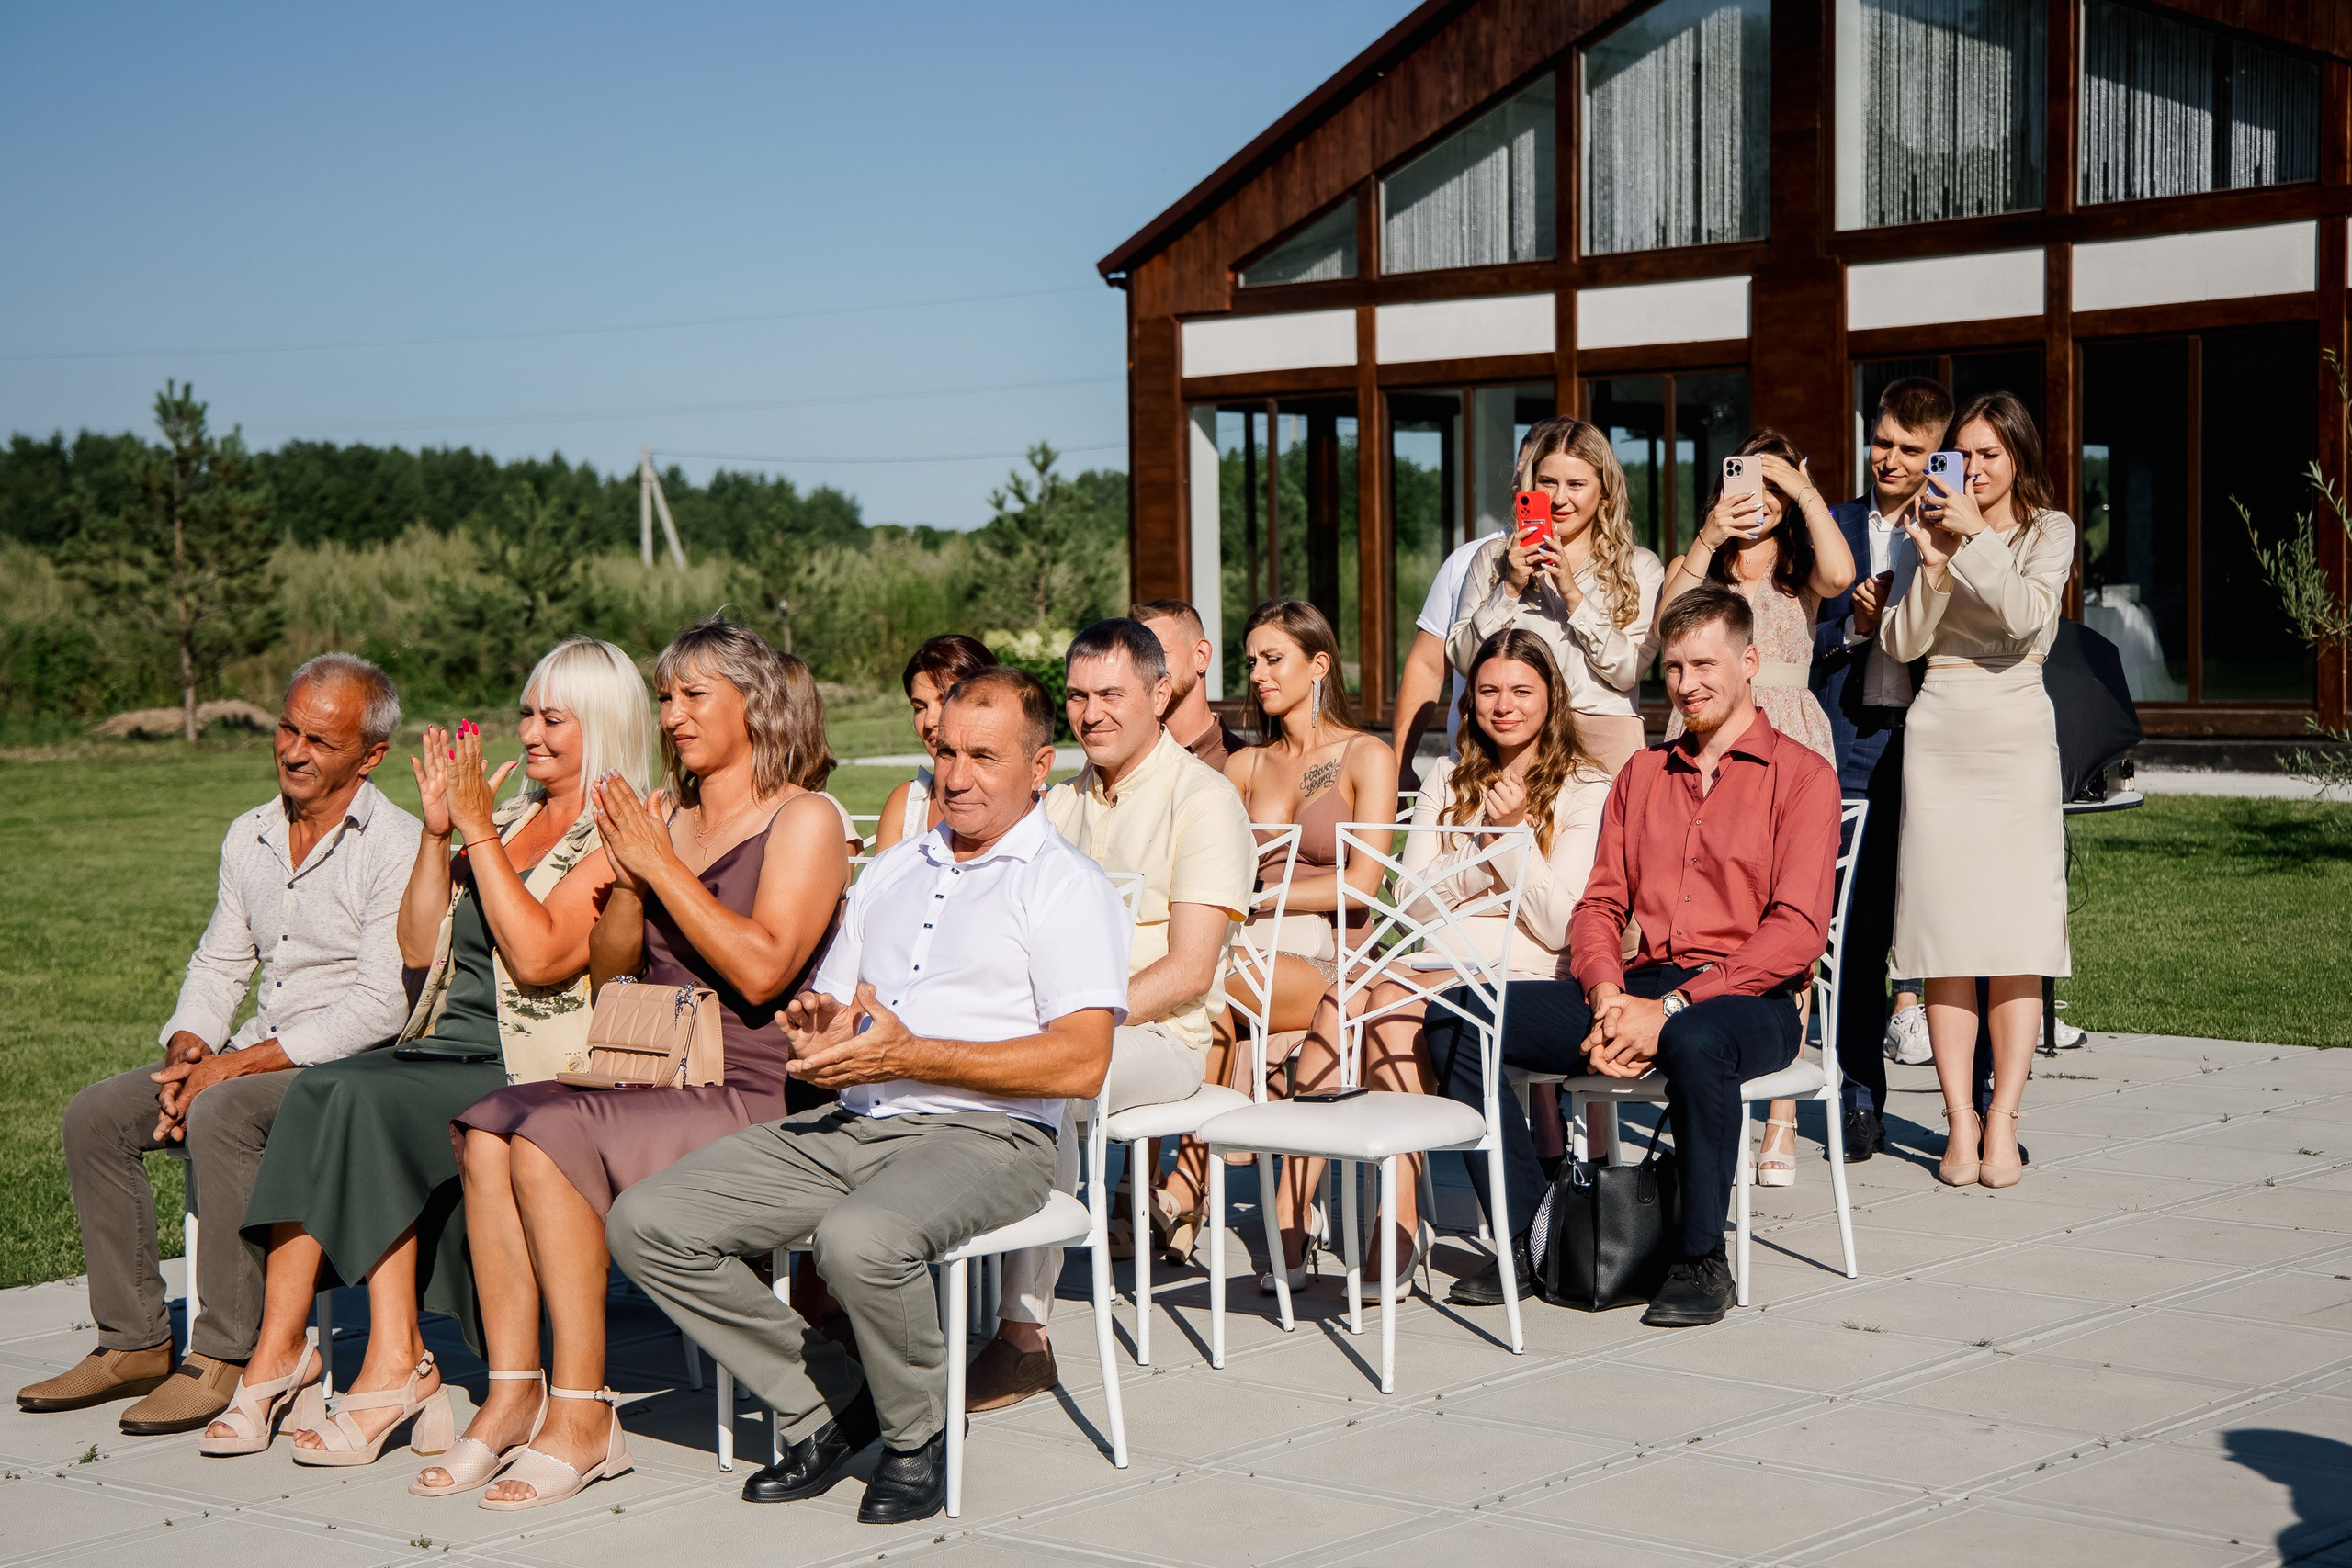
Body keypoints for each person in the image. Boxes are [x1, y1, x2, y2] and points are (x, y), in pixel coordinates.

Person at [607, 667, 1131, 1527]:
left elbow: (1081, 1063)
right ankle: (831, 1400)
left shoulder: (1064, 883)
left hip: (992, 1134)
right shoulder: (894, 869)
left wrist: (912, 1051)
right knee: (647, 1220)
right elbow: (835, 1011)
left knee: (859, 1240)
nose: (956, 775)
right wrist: (815, 1033)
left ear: (1040, 767)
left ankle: (919, 1435)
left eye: (985, 756)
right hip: (859, 1118)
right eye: (947, 751)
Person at [429, 619, 854, 1508]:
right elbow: (611, 972)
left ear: (755, 704)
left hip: (754, 1087)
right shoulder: (668, 816)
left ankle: (583, 1411)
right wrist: (628, 882)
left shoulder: (805, 817)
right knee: (488, 1124)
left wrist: (662, 868)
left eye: (695, 695)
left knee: (545, 1133)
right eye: (666, 697)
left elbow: (763, 970)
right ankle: (513, 1392)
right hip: (657, 1067)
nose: (672, 715)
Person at [205, 639, 651, 1462]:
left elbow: (540, 956)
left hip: (530, 1062)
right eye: (526, 713)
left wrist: (476, 833)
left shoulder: (614, 833)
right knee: (323, 1085)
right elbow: (417, 948)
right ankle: (282, 1348)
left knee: (359, 1095)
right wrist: (438, 835)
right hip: (445, 1043)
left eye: (554, 719)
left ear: (604, 724)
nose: (530, 733)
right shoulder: (510, 819)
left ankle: (391, 1361)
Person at [17, 656, 419, 1434]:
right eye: (287, 728)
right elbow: (219, 963)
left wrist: (229, 1068)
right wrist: (189, 1050)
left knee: (223, 1111)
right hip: (256, 1053)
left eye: (320, 741)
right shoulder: (251, 833)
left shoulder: (395, 844)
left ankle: (230, 1350)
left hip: (351, 1069)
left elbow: (380, 1005)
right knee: (96, 1115)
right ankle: (133, 1340)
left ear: (370, 755)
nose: (294, 750)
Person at [1426, 585, 1839, 1326]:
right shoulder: (1644, 775)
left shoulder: (1803, 776)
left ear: (1749, 662)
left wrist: (1671, 1007)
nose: (1687, 683)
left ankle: (1701, 1258)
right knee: (1459, 1017)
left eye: (1704, 665)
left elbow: (1797, 931)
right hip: (1641, 985)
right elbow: (1599, 905)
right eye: (1674, 667)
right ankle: (1535, 1237)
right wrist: (1607, 995)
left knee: (1694, 1040)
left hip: (1752, 999)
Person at [1265, 630, 1613, 1293]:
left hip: (1524, 971)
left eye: (1521, 691)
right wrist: (1488, 859)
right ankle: (1300, 1206)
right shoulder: (1447, 778)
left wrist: (1507, 840)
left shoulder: (1585, 787)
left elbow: (1557, 924)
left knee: (1383, 999)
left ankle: (1391, 1219)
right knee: (1346, 999)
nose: (1503, 705)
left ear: (1552, 698)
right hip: (1434, 958)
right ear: (1468, 699)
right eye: (1488, 691)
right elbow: (1413, 903)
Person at [968, 618, 1255, 1411]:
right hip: (1052, 1023)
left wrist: (1074, 1023)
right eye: (1077, 696)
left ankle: (1023, 1335)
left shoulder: (1204, 799)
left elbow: (1190, 969)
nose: (1090, 712)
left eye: (1110, 694)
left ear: (1161, 695)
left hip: (1162, 1038)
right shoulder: (1060, 802)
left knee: (1051, 1079)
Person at [1148, 602, 1396, 1265]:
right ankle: (1202, 1184)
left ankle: (1186, 1183)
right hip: (1251, 949)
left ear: (1319, 665)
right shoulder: (1246, 767)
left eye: (1274, 658)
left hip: (1332, 952)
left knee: (1197, 981)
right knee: (1203, 982)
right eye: (1252, 660)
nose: (1258, 673)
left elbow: (1362, 883)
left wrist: (1258, 897)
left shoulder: (1366, 754)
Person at [1882, 392, 2076, 1191]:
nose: (1974, 469)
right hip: (1940, 731)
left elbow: (2029, 618)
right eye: (1963, 455)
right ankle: (1959, 1120)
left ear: (2018, 456)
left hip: (2017, 733)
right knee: (1946, 939)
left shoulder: (2049, 531)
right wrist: (1930, 564)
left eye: (1990, 454)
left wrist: (1975, 538)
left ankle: (2004, 1119)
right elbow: (1901, 641)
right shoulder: (1923, 523)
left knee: (2017, 938)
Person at [1657, 430, 1855, 1186]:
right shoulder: (1706, 563)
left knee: (1787, 917)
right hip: (1704, 737)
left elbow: (1842, 574)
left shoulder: (1802, 570)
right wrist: (1710, 534)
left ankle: (1782, 1109)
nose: (1759, 500)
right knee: (1702, 908)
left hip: (1787, 737)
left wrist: (1802, 488)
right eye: (1748, 481)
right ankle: (1710, 1087)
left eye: (1773, 487)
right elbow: (1664, 624)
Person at [1811, 378, 1951, 1161]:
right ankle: (1859, 1097)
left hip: (1936, 744)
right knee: (1855, 930)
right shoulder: (1831, 528)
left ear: (1939, 453)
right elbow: (1796, 641)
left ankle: (1974, 1106)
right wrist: (1852, 628)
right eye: (1881, 441)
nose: (1889, 458)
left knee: (1944, 931)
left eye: (1909, 447)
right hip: (1852, 743)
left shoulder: (1957, 527)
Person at [1447, 417, 1665, 777]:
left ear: (1604, 490)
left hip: (1604, 741)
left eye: (1576, 484)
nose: (1560, 498)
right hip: (1511, 740)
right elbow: (1464, 660)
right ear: (1530, 484)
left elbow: (1627, 671)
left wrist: (1572, 594)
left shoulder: (1639, 566)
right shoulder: (1494, 558)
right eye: (1548, 482)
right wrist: (1509, 588)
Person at [1392, 525, 1507, 789]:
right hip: (1470, 769)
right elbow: (1428, 666)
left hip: (1568, 769)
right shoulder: (1467, 560)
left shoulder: (1600, 564)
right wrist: (1400, 763)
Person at [873, 633, 997, 853]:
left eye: (946, 700)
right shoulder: (906, 804)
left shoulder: (1040, 803)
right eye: (920, 707)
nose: (929, 721)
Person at [1134, 598, 1248, 772]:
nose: (1147, 668)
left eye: (1159, 654)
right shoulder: (1127, 762)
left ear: (1201, 656)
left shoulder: (1243, 764)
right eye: (1138, 659)